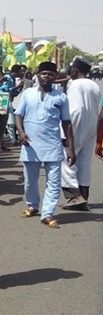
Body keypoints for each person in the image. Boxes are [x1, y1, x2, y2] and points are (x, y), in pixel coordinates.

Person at [15, 62, 76, 229]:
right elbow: (18, 115)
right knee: (30, 182)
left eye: (50, 74)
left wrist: (71, 148)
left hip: (53, 146)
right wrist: (21, 132)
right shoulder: (28, 94)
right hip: (31, 146)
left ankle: (48, 213)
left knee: (54, 182)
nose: (47, 76)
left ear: (55, 76)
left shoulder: (61, 97)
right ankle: (33, 206)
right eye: (44, 73)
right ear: (37, 74)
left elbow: (67, 124)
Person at [59, 58, 101, 210]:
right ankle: (84, 195)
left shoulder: (75, 85)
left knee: (66, 160)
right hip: (91, 126)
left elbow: (75, 110)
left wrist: (66, 134)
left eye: (71, 70)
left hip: (77, 126)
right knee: (84, 162)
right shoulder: (94, 85)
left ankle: (75, 196)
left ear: (75, 71)